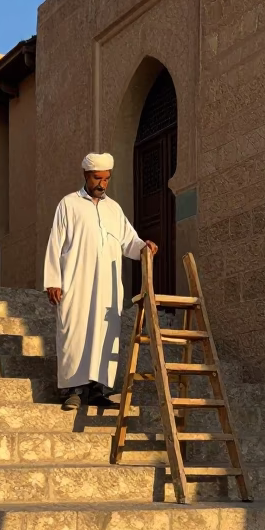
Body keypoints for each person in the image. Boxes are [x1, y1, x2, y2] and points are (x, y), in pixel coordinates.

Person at [44, 152, 158, 410]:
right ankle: (73, 390)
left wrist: (144, 246)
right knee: (75, 331)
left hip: (107, 286)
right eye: (98, 178)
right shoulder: (68, 204)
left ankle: (98, 390)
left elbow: (130, 241)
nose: (102, 184)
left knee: (104, 334)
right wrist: (53, 280)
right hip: (75, 282)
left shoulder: (113, 209)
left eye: (106, 179)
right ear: (86, 175)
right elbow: (55, 244)